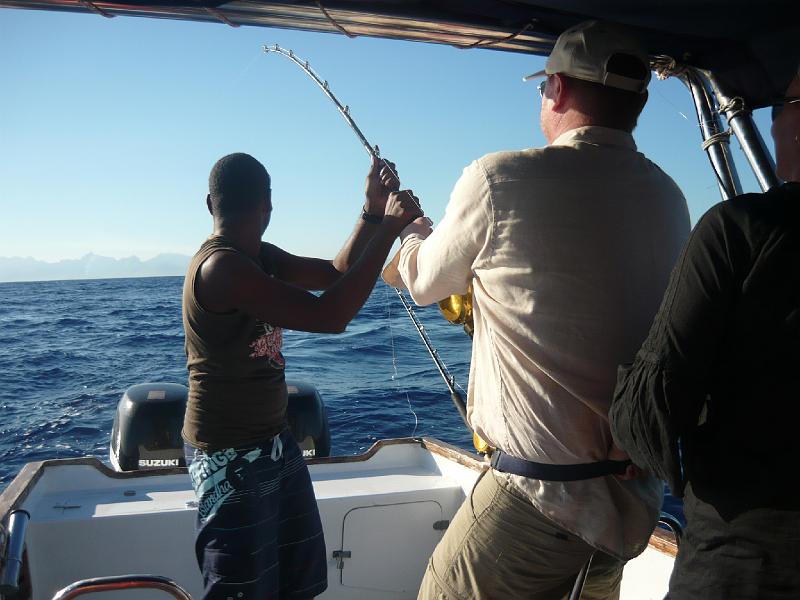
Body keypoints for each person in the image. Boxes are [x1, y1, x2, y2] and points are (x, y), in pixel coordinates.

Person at [390, 20, 691, 599]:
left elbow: (423, 280)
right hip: (630, 508)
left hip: (538, 501)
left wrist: (409, 233)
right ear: (639, 103)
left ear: (556, 88)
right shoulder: (669, 195)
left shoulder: (498, 178)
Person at [181, 152, 421, 599]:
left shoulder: (259, 258)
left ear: (210, 204)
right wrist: (388, 229)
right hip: (227, 455)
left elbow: (335, 273)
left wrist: (371, 208)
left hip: (275, 440)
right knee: (240, 590)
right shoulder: (222, 267)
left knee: (299, 580)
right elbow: (330, 314)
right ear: (268, 206)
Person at [610, 69, 800, 599]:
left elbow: (647, 414)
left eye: (783, 104)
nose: (777, 118)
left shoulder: (740, 229)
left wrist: (631, 433)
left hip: (747, 562)